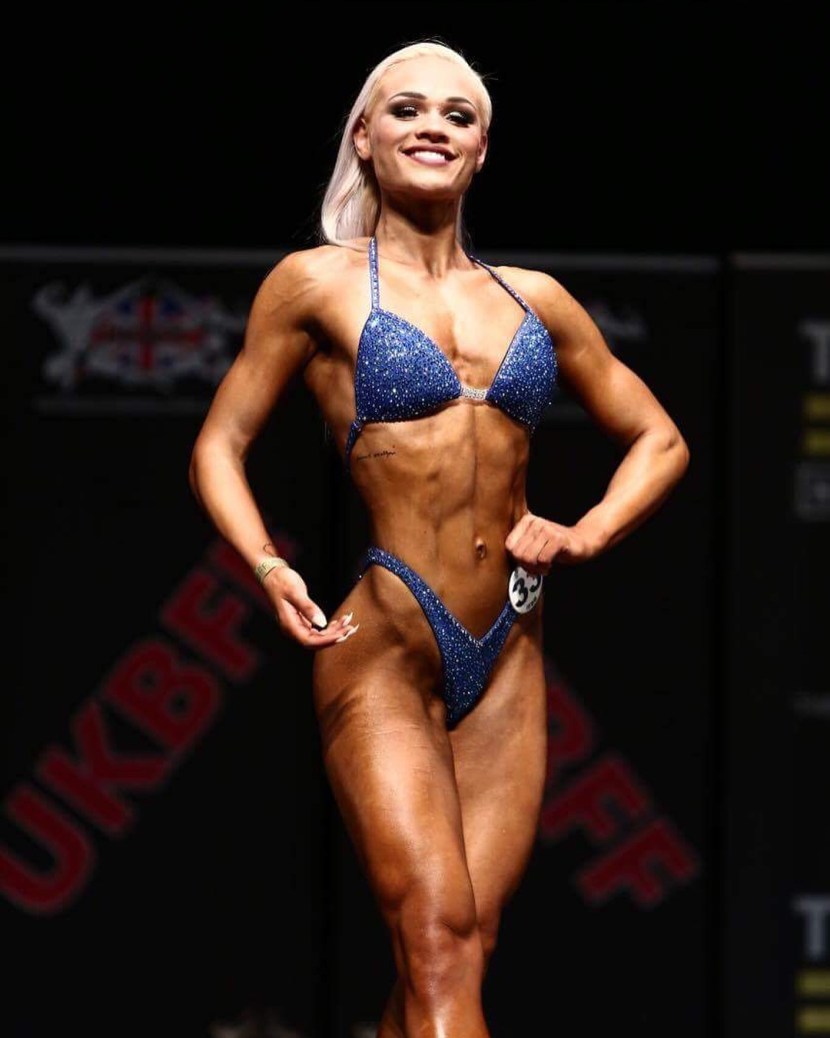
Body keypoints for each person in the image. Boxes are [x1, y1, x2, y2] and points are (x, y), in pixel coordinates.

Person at [188, 37, 690, 1038]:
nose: (432, 127)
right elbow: (219, 444)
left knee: (462, 948)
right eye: (406, 109)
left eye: (457, 116)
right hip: (385, 644)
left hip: (510, 652)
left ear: (481, 150)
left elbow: (660, 439)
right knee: (437, 939)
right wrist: (269, 565)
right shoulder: (316, 284)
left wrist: (587, 533)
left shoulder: (533, 298)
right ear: (363, 139)